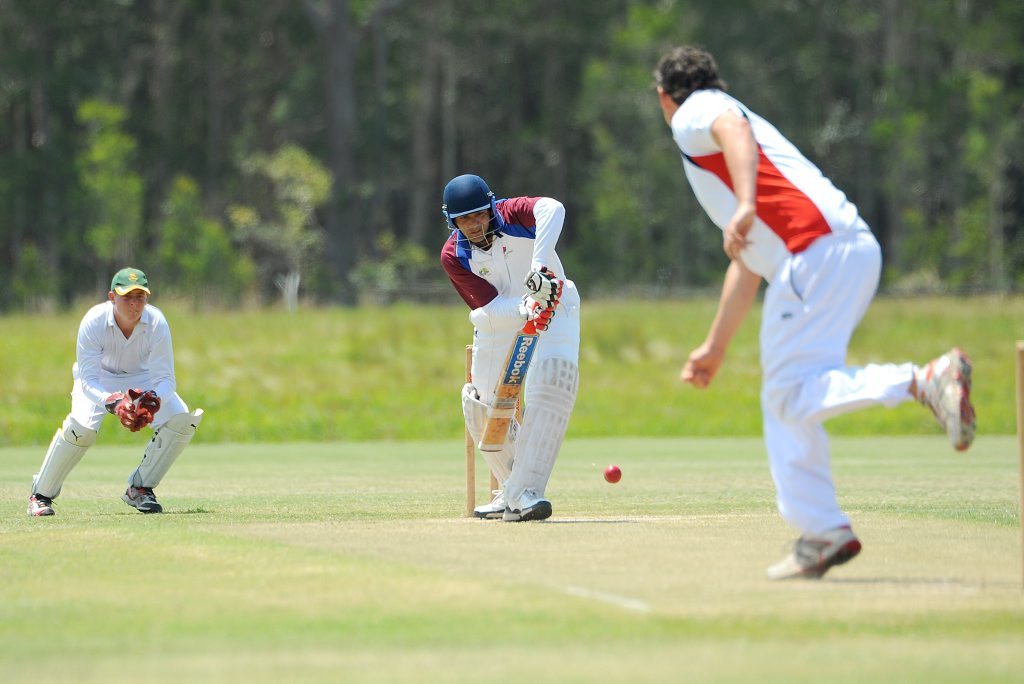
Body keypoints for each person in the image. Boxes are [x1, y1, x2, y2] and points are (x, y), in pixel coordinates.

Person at [653, 46, 976, 579]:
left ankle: (922, 382)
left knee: (787, 394)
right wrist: (715, 346)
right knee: (791, 394)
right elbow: (750, 264)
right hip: (844, 251)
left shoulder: (696, 113)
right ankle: (822, 530)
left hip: (814, 252)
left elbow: (730, 125)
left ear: (664, 97)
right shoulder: (728, 134)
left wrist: (747, 203)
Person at [440, 174, 581, 522]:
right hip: (502, 318)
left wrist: (538, 271)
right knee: (480, 403)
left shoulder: (513, 214)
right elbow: (486, 309)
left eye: (478, 215)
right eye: (464, 219)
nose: (473, 225)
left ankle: (524, 494)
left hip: (555, 306)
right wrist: (525, 306)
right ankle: (513, 490)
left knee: (552, 384)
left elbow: (553, 207)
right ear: (452, 221)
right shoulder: (454, 255)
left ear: (490, 207)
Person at [27, 267, 204, 516]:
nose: (134, 304)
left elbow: (165, 379)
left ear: (147, 298)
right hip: (99, 378)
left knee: (182, 420)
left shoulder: (156, 322)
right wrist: (113, 402)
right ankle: (40, 494)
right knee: (82, 431)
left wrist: (152, 401)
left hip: (140, 379)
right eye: (126, 297)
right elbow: (87, 379)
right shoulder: (94, 320)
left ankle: (140, 489)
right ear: (112, 297)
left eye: (140, 297)